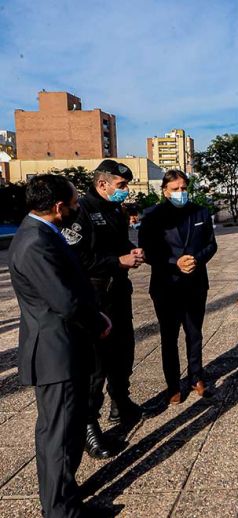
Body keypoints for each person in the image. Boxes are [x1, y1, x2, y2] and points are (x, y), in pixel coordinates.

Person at [9, 174, 111, 517]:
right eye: (73, 204)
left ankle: (64, 495)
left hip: (65, 348)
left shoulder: (41, 233)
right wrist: (98, 321)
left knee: (63, 431)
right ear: (57, 208)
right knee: (59, 437)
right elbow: (65, 301)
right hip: (56, 353)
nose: (76, 208)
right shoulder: (35, 242)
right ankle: (61, 511)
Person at [63, 159, 146, 459]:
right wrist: (118, 261)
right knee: (95, 364)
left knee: (124, 351)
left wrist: (131, 251)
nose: (125, 191)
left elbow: (119, 242)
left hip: (118, 292)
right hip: (95, 295)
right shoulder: (81, 211)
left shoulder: (115, 209)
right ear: (103, 184)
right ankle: (88, 426)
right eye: (121, 186)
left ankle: (120, 402)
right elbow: (77, 260)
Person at [138, 170, 217, 405]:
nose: (180, 193)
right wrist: (175, 263)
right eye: (175, 189)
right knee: (169, 337)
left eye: (184, 188)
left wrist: (196, 259)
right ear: (165, 191)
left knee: (194, 334)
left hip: (195, 284)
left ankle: (196, 378)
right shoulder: (152, 215)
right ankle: (173, 385)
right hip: (166, 286)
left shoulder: (200, 211)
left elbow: (211, 244)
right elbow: (147, 250)